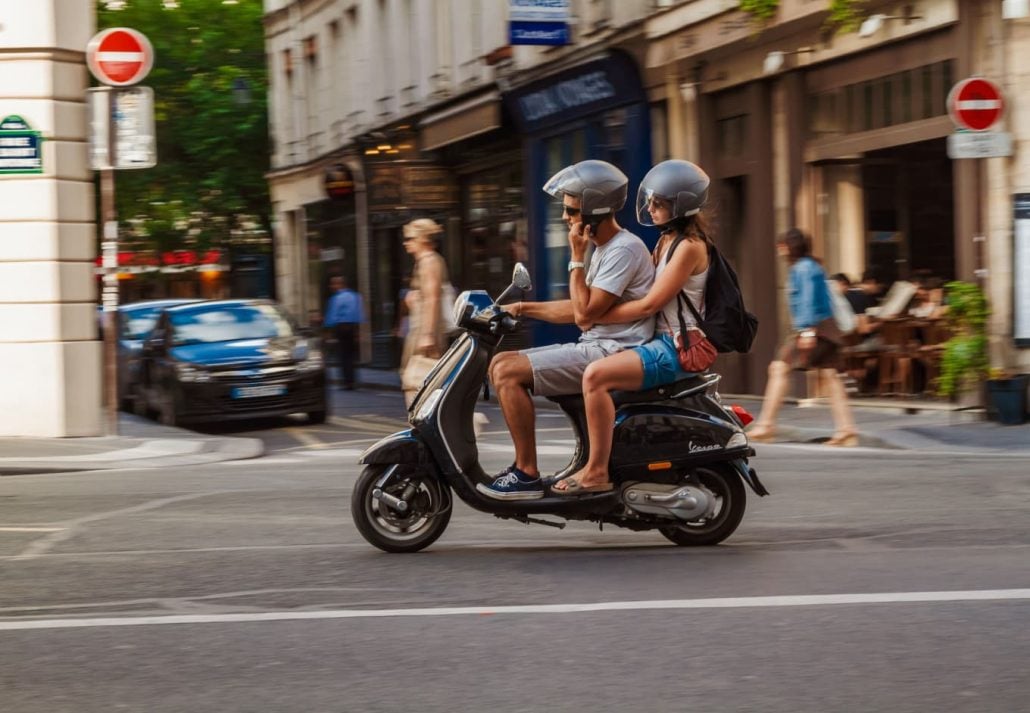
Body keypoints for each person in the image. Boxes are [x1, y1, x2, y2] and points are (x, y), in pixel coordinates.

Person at [480, 159, 655, 500]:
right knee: (501, 363)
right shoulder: (607, 248)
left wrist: (576, 256)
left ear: (595, 209)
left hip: (611, 352)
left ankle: (526, 472)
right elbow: (579, 309)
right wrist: (518, 308)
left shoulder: (624, 248)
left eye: (572, 211)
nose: (565, 218)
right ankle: (529, 469)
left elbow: (585, 314)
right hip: (596, 345)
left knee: (505, 372)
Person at [551, 159, 713, 495]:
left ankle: (596, 472)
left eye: (660, 204)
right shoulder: (665, 242)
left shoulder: (689, 248)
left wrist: (592, 316)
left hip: (676, 347)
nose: (651, 209)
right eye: (651, 202)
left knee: (595, 375)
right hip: (658, 341)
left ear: (681, 206)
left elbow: (650, 305)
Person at [748, 228, 858, 446]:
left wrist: (807, 330)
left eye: (782, 244)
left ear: (790, 247)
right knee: (830, 376)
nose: (779, 249)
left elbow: (808, 299)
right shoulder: (810, 266)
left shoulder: (804, 268)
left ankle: (767, 425)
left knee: (779, 368)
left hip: (815, 329)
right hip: (826, 329)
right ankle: (847, 430)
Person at [400, 218, 451, 380]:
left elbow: (432, 298)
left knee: (420, 379)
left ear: (423, 239)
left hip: (426, 329)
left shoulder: (429, 261)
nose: (405, 243)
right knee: (417, 379)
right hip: (419, 326)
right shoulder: (424, 261)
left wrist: (428, 335)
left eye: (410, 239)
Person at [323, 275, 364, 390]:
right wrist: (357, 330)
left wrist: (328, 331)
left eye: (334, 284)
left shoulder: (336, 298)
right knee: (351, 355)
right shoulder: (355, 296)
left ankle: (347, 382)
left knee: (343, 355)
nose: (332, 286)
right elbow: (359, 314)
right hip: (352, 327)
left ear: (340, 284)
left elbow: (332, 316)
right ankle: (352, 380)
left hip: (341, 328)